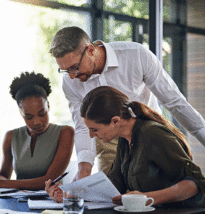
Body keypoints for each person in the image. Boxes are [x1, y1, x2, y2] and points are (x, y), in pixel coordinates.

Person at [50, 26, 205, 180]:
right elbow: (83, 126)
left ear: (91, 50)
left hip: (148, 133)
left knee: (158, 188)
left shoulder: (136, 55)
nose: (71, 76)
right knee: (111, 194)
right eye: (65, 70)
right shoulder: (70, 81)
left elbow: (174, 102)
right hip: (107, 139)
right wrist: (83, 170)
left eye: (74, 67)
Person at [46, 86, 205, 207]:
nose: (91, 136)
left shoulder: (152, 134)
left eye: (94, 129)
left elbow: (195, 183)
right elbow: (113, 188)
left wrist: (147, 198)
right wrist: (71, 194)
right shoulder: (124, 140)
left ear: (115, 121)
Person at [0, 72, 74, 190]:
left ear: (48, 106)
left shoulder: (65, 133)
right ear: (21, 112)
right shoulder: (11, 136)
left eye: (42, 114)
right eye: (29, 117)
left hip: (51, 203)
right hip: (17, 201)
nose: (37, 122)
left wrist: (0, 183)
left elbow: (48, 181)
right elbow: (4, 176)